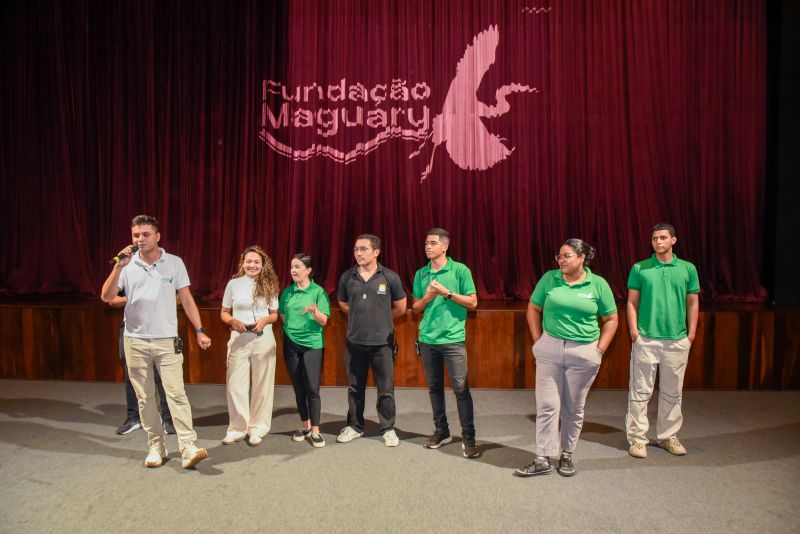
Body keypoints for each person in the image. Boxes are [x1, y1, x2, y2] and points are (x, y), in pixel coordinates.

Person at [101, 214, 211, 469]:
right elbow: (107, 296)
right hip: (135, 341)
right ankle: (156, 446)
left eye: (145, 234)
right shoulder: (126, 266)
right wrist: (118, 266)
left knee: (176, 394)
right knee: (145, 397)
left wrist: (199, 329)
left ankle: (187, 447)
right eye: (136, 235)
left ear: (157, 236)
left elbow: (186, 298)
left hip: (167, 340)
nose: (140, 239)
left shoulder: (174, 263)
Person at [515, 238, 618, 478]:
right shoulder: (549, 279)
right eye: (559, 256)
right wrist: (538, 340)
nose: (561, 260)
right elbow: (533, 308)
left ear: (582, 258)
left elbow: (611, 319)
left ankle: (566, 454)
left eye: (567, 256)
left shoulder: (598, 284)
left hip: (584, 352)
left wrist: (599, 350)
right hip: (549, 348)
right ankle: (542, 457)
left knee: (573, 407)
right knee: (547, 405)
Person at [626, 223, 700, 458]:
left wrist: (691, 334)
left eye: (663, 237)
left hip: (676, 340)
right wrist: (634, 332)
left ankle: (668, 436)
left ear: (673, 240)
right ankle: (637, 439)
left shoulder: (688, 269)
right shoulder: (640, 268)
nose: (658, 242)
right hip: (646, 339)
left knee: (672, 391)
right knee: (640, 390)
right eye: (655, 238)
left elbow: (692, 302)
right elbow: (631, 302)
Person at [412, 228, 480, 458]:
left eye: (432, 243)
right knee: (434, 388)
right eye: (426, 243)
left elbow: (472, 303)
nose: (427, 247)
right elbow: (415, 308)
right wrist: (428, 297)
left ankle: (469, 436)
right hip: (428, 339)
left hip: (453, 340)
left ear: (444, 246)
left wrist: (446, 293)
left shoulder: (460, 270)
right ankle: (442, 431)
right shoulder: (421, 274)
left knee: (461, 389)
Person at [336, 234, 407, 447]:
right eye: (356, 249)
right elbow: (343, 303)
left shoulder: (390, 277)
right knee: (355, 387)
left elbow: (401, 307)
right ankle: (355, 426)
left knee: (386, 388)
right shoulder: (347, 277)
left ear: (376, 252)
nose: (358, 253)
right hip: (354, 342)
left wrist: (381, 318)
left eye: (363, 249)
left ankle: (387, 428)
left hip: (382, 344)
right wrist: (359, 315)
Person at [220, 246, 280, 447]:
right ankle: (237, 428)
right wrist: (232, 322)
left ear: (263, 265)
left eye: (256, 262)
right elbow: (224, 312)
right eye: (249, 261)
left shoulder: (270, 284)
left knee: (262, 386)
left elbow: (274, 314)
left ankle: (257, 428)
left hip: (263, 339)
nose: (252, 265)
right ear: (242, 263)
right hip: (239, 339)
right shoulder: (233, 284)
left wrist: (264, 321)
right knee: (235, 385)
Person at [279, 253, 330, 447]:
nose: (293, 270)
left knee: (312, 388)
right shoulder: (287, 292)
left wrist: (314, 311)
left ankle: (316, 430)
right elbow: (283, 317)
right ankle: (305, 426)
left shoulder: (318, 292)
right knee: (298, 388)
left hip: (312, 345)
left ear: (308, 270)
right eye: (292, 266)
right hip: (291, 345)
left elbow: (324, 321)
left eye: (298, 266)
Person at [110, 292, 174, 436]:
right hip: (131, 331)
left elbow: (179, 297)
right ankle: (134, 418)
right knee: (131, 374)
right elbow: (112, 300)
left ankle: (168, 419)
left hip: (158, 328)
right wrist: (134, 297)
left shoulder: (162, 270)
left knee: (160, 375)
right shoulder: (127, 271)